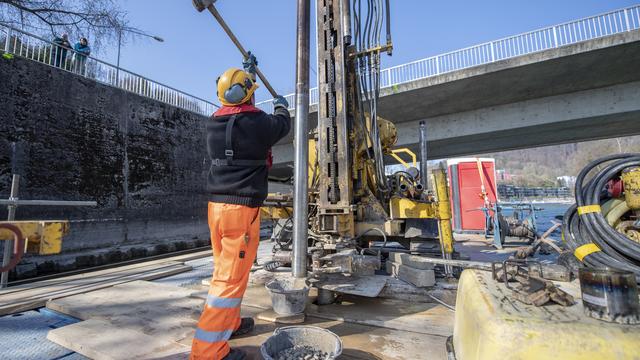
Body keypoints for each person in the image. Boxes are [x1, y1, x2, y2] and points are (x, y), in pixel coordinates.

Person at [190, 53, 291, 360]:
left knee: (229, 271)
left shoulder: (214, 124)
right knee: (229, 280)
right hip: (240, 211)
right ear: (250, 94)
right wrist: (281, 104)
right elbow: (281, 124)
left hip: (216, 209)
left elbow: (243, 114)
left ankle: (230, 323)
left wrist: (247, 76)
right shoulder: (259, 123)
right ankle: (208, 351)